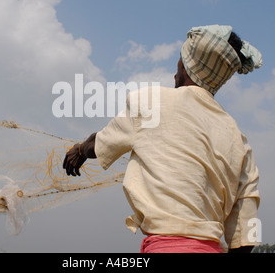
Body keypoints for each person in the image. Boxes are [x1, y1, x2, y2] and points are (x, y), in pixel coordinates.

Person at [63, 25, 262, 253]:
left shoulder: (150, 102)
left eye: (180, 59)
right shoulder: (239, 139)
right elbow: (245, 235)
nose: (175, 70)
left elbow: (99, 143)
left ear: (188, 66)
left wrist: (79, 151)